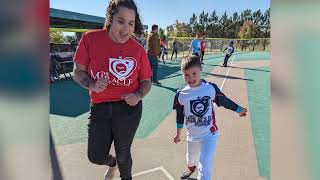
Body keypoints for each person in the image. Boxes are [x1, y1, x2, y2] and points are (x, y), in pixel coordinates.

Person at [72, 0, 152, 180]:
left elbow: (147, 81)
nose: (126, 29)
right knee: (95, 156)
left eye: (131, 23)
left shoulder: (138, 50)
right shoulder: (90, 39)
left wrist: (138, 95)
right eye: (121, 21)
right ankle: (111, 163)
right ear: (110, 19)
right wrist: (91, 84)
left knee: (124, 154)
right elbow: (78, 72)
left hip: (128, 109)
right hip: (100, 107)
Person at [173, 56, 247, 180]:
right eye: (186, 75)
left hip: (209, 134)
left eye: (194, 73)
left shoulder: (210, 88)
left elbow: (224, 101)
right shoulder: (181, 94)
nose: (190, 78)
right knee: (191, 159)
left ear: (201, 70)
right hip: (192, 135)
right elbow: (180, 116)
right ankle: (191, 168)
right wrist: (178, 134)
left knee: (205, 163)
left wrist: (239, 109)